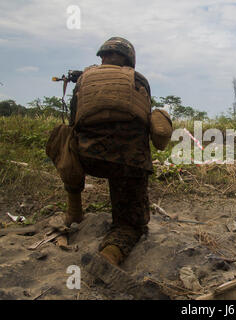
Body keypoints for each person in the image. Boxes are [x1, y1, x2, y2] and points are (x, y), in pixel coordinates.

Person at [64, 37, 172, 267]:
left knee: (61, 136)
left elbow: (73, 122)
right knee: (129, 225)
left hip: (87, 158)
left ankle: (74, 207)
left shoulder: (82, 81)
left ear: (102, 57)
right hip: (129, 162)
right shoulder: (139, 80)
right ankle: (111, 253)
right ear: (130, 59)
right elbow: (145, 121)